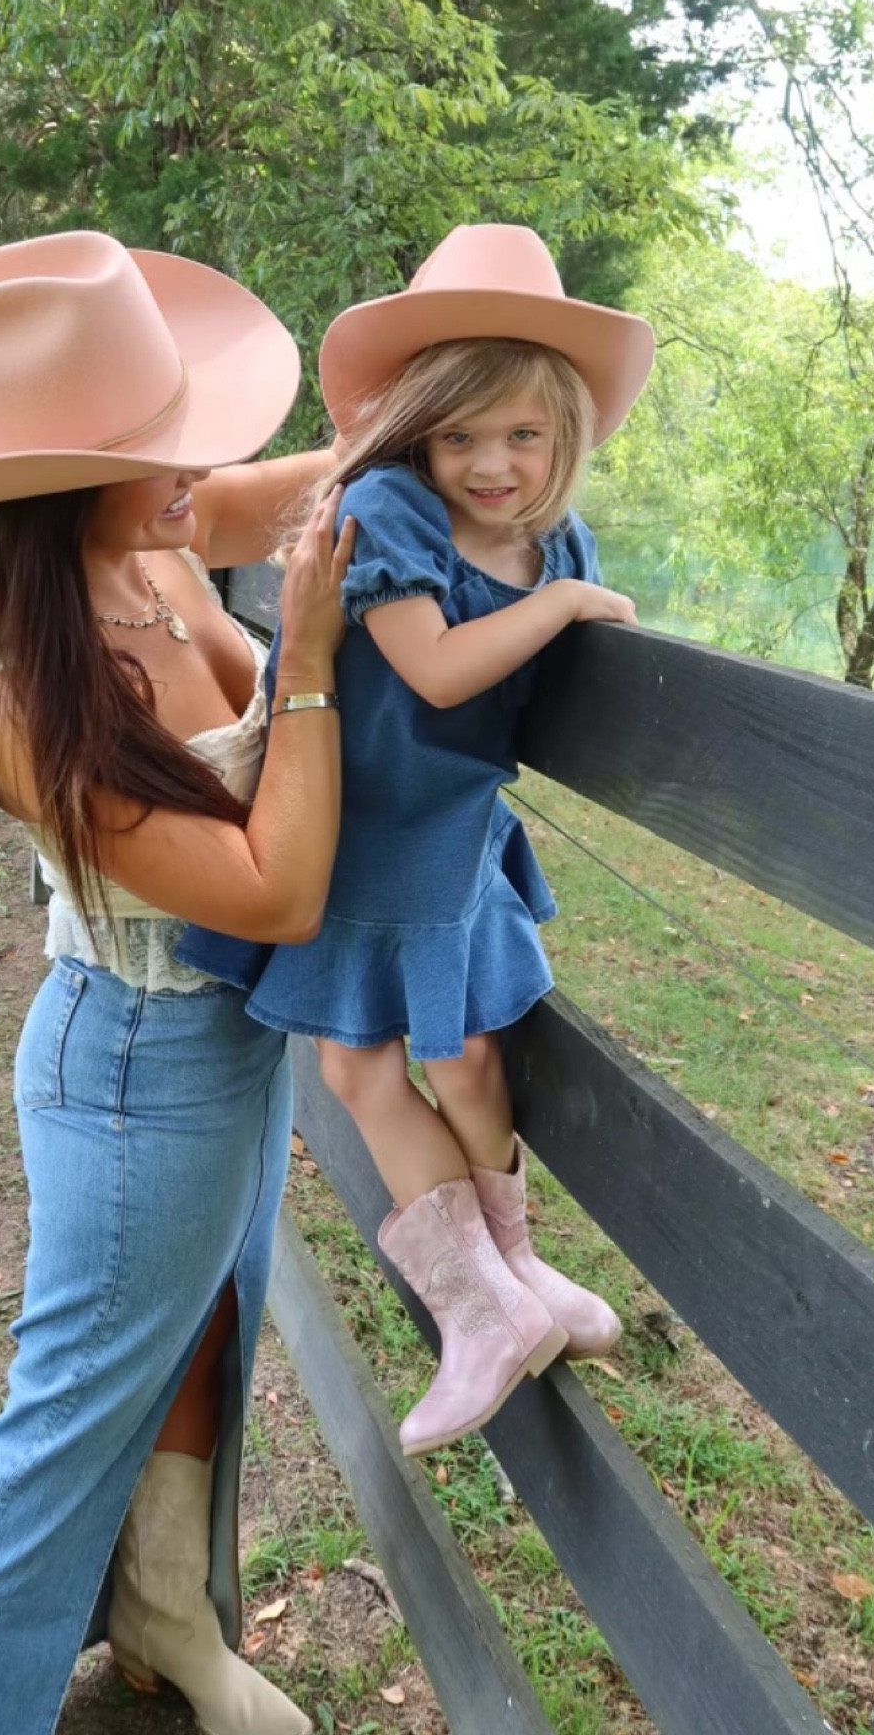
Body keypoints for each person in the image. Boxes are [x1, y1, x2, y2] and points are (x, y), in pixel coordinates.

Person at [0, 229, 355, 1735]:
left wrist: (460, 412)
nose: (201, 460)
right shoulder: (13, 701)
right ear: (59, 481)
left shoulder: (150, 542)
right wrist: (309, 655)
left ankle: (164, 1620)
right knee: (54, 1438)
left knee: (209, 1323)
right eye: (160, 443)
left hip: (222, 1048)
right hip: (135, 1067)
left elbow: (310, 484)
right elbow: (276, 883)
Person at [180, 224, 655, 1458]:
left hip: (450, 824)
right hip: (354, 816)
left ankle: (511, 1282)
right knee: (358, 1065)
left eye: (521, 437)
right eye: (459, 436)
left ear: (564, 436)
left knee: (468, 1050)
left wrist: (566, 596)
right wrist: (556, 605)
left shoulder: (558, 539)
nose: (489, 465)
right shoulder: (388, 504)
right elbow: (437, 673)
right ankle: (483, 1301)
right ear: (417, 433)